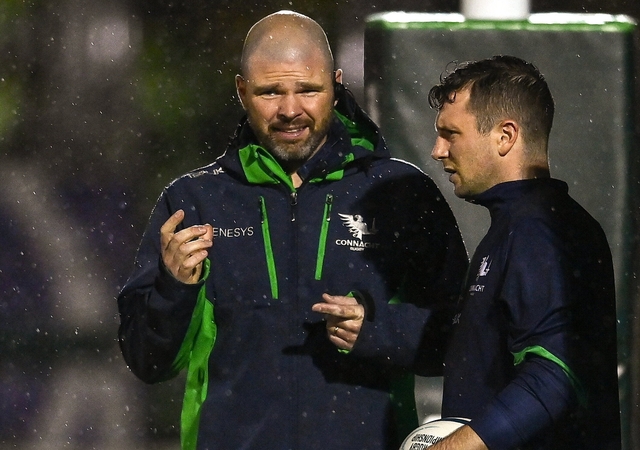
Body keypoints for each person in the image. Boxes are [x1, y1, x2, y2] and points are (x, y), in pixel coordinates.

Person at [117, 11, 468, 450]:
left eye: (308, 90)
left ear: (337, 86)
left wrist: (380, 330)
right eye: (269, 92)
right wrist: (173, 288)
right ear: (242, 90)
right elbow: (147, 361)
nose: (289, 110)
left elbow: (464, 341)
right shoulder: (193, 200)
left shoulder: (401, 193)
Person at [425, 55, 621, 450]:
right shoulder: (518, 224)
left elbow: (554, 375)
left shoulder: (539, 228)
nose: (437, 150)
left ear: (505, 136)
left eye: (451, 134)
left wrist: (450, 448)